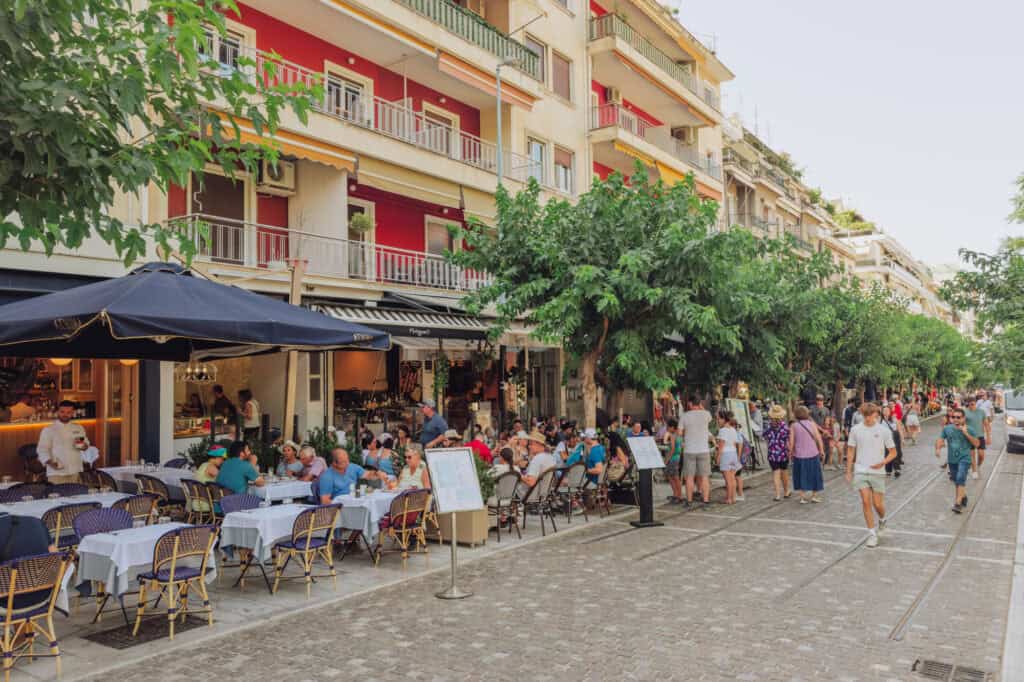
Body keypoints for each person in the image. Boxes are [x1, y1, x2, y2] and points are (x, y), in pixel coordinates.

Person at [846, 403, 897, 548]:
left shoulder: (883, 431)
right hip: (861, 470)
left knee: (878, 504)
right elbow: (850, 451)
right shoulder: (855, 430)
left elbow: (893, 452)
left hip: (877, 472)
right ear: (862, 414)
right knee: (866, 501)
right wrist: (849, 471)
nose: (868, 418)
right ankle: (872, 534)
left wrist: (883, 463)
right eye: (865, 415)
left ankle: (882, 520)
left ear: (876, 414)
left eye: (871, 415)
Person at [936, 408, 979, 513]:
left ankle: (957, 503)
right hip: (952, 460)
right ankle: (963, 496)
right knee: (956, 480)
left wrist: (966, 433)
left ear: (963, 418)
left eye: (958, 417)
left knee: (960, 477)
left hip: (965, 458)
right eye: (953, 417)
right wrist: (938, 448)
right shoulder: (947, 429)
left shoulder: (970, 429)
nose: (955, 419)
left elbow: (977, 444)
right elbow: (940, 439)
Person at [36, 400, 88, 484]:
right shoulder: (49, 430)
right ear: (58, 412)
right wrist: (51, 463)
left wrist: (83, 446)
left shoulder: (78, 428)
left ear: (72, 413)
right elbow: (42, 450)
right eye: (62, 412)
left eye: (68, 412)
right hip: (57, 473)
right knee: (57, 496)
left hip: (75, 470)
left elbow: (85, 446)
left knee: (77, 496)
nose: (65, 414)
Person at [679, 395, 712, 506]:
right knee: (705, 476)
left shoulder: (685, 416)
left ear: (690, 403)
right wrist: (700, 406)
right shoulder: (706, 414)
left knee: (689, 477)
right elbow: (709, 418)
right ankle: (706, 500)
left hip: (689, 450)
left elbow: (679, 433)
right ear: (700, 404)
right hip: (704, 449)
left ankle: (689, 501)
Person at [789, 405, 825, 504]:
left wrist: (790, 452)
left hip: (799, 455)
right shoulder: (812, 424)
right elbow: (818, 438)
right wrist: (821, 450)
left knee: (800, 475)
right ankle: (814, 496)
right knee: (814, 475)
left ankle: (802, 497)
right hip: (813, 453)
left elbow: (791, 442)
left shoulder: (793, 426)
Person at [516, 430, 557, 497]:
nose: (529, 446)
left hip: (529, 495)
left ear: (539, 445)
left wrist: (518, 475)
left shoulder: (537, 459)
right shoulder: (551, 457)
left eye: (531, 444)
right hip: (543, 494)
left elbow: (531, 482)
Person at [764, 405, 791, 501]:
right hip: (783, 453)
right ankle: (787, 491)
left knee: (776, 473)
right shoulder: (785, 428)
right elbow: (788, 442)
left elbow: (766, 438)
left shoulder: (768, 426)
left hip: (772, 453)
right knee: (784, 472)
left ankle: (777, 495)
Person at [715, 411, 742, 504]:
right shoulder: (733, 429)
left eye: (718, 418)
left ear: (723, 419)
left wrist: (718, 457)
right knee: (732, 478)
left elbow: (721, 446)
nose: (717, 420)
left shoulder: (722, 430)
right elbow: (735, 444)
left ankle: (729, 499)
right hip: (733, 454)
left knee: (728, 479)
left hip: (725, 455)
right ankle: (733, 497)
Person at [963, 395, 990, 480]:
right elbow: (961, 423)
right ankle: (974, 471)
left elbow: (986, 424)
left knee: (981, 455)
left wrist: (988, 436)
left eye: (973, 403)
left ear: (975, 403)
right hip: (969, 437)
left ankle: (978, 465)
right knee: (972, 455)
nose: (971, 405)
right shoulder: (965, 412)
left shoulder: (981, 412)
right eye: (970, 403)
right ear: (968, 403)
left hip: (980, 436)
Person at [663, 418, 684, 503]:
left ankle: (678, 495)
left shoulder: (672, 436)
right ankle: (677, 495)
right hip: (677, 457)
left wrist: (666, 460)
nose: (667, 428)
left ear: (672, 427)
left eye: (668, 426)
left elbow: (672, 449)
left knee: (673, 477)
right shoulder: (679, 435)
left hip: (673, 458)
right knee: (673, 477)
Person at [881, 404, 905, 478]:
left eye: (887, 410)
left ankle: (897, 469)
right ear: (882, 412)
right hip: (885, 439)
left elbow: (899, 429)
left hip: (894, 437)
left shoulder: (894, 419)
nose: (886, 412)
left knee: (895, 453)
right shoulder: (880, 420)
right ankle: (888, 470)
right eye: (884, 410)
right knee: (887, 454)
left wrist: (902, 439)